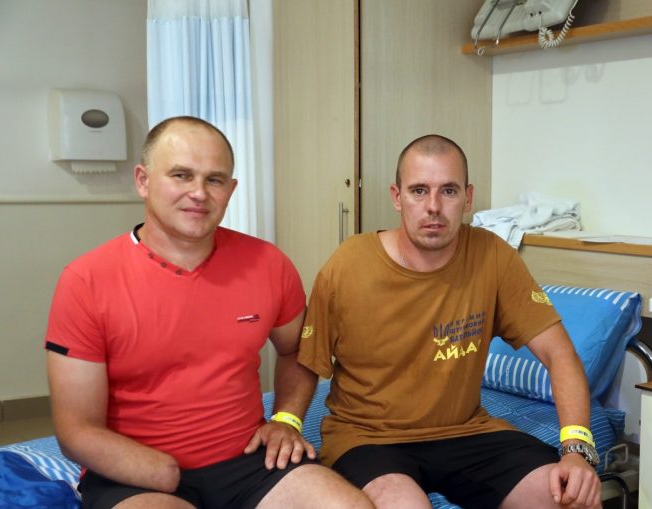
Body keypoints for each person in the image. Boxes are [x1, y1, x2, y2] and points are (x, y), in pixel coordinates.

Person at [45, 116, 372, 509]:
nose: (199, 193)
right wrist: (160, 472)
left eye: (214, 180)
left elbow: (296, 349)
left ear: (230, 190)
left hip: (250, 460)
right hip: (139, 475)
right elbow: (76, 429)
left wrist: (286, 420)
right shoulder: (86, 280)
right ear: (143, 181)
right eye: (181, 175)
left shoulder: (268, 264)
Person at [297, 134, 602, 509]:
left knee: (570, 499)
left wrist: (576, 447)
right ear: (397, 197)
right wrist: (286, 421)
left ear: (468, 198)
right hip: (368, 438)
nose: (434, 207)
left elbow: (560, 355)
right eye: (419, 191)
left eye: (449, 191)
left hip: (467, 432)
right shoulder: (349, 265)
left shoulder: (492, 256)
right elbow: (306, 359)